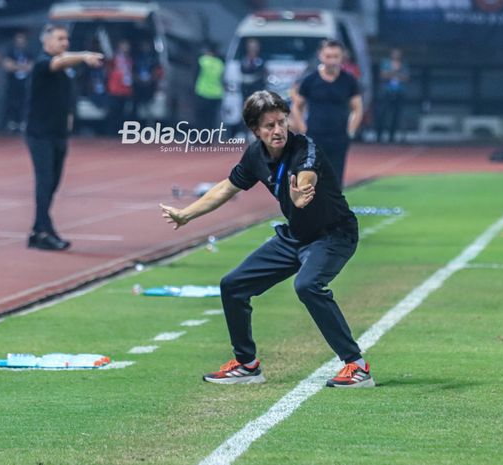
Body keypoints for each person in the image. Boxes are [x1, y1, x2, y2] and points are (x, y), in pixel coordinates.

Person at [160, 90, 374, 388]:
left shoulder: (304, 147)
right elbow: (226, 188)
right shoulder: (254, 155)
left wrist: (301, 193)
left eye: (281, 122)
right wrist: (187, 214)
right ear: (255, 130)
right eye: (269, 126)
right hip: (295, 237)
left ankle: (356, 366)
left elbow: (307, 175)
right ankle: (247, 365)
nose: (278, 130)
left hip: (334, 235)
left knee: (308, 285)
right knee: (232, 286)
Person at [25, 24, 103, 251]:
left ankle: (38, 230)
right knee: (45, 181)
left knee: (53, 184)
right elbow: (58, 62)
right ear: (46, 42)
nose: (64, 43)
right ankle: (44, 231)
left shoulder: (66, 71)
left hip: (58, 134)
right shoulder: (42, 64)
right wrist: (84, 55)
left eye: (66, 39)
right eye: (59, 39)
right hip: (40, 134)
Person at [290, 39, 363, 189]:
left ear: (342, 57)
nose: (332, 61)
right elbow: (297, 106)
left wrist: (351, 130)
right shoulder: (310, 80)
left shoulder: (349, 81)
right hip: (314, 137)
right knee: (311, 178)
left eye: (336, 56)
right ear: (320, 56)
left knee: (335, 180)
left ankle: (333, 211)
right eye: (328, 56)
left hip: (339, 137)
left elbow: (357, 108)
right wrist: (302, 128)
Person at [375, 47, 409, 143]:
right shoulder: (385, 63)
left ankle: (391, 136)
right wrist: (395, 73)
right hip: (387, 92)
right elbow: (383, 75)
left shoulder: (403, 64)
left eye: (398, 53)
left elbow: (406, 77)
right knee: (383, 114)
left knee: (396, 115)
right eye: (395, 53)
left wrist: (392, 74)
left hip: (399, 92)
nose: (396, 55)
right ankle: (379, 136)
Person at [3, 32, 33, 132]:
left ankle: (22, 122)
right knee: (12, 101)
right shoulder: (11, 52)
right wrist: (20, 67)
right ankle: (12, 122)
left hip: (25, 82)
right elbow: (8, 66)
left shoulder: (29, 53)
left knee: (24, 102)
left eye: (22, 40)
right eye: (18, 40)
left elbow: (31, 67)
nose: (20, 42)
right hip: (13, 82)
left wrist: (16, 66)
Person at [194, 43, 224, 130]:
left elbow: (195, 74)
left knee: (200, 117)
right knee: (211, 118)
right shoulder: (220, 63)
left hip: (202, 91)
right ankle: (209, 138)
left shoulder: (202, 60)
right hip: (216, 93)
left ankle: (199, 137)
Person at [106, 40, 134, 134]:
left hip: (125, 90)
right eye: (124, 46)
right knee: (114, 111)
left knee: (123, 112)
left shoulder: (129, 59)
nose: (126, 49)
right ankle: (111, 131)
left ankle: (120, 131)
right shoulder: (114, 58)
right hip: (115, 89)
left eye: (127, 47)